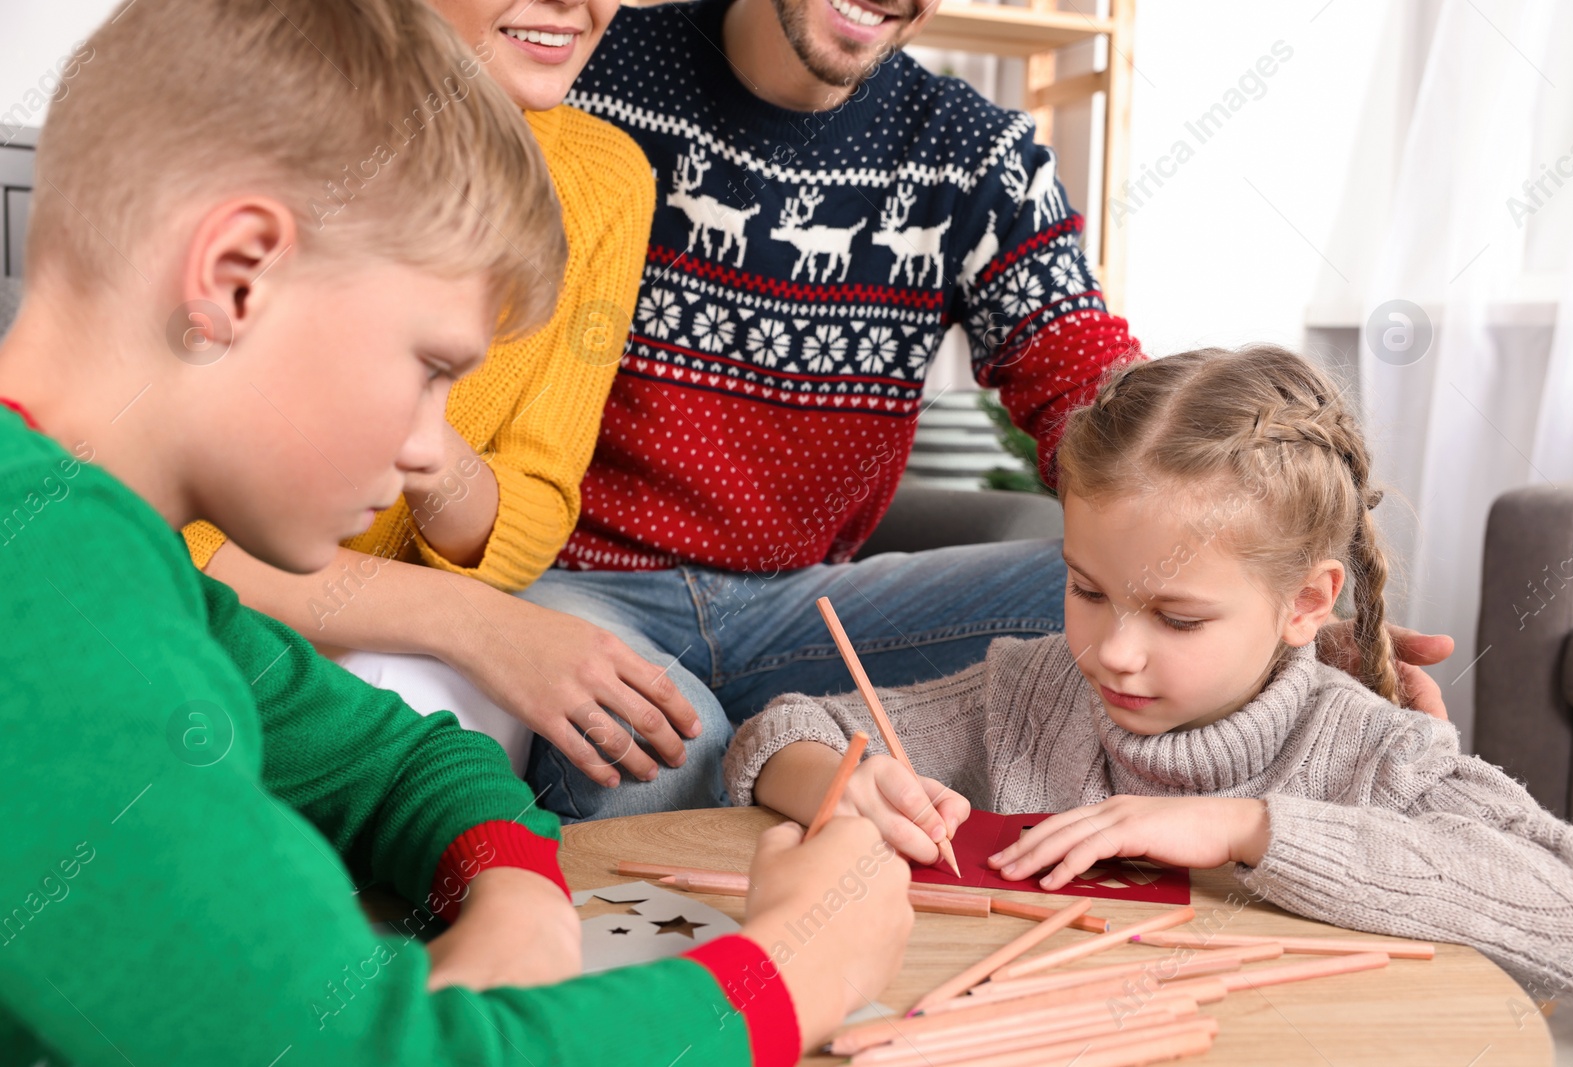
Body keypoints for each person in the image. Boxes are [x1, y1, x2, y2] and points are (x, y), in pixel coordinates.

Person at [0, 0, 910, 1062]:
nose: (431, 452)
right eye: (431, 370)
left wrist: (516, 895)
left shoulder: (106, 549)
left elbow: (398, 760)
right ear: (236, 275)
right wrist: (796, 969)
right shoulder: (46, 598)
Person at [424, 0, 1447, 820]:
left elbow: (1089, 388)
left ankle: (1179, 867)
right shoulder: (585, 63)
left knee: (1158, 606)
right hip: (580, 582)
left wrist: (1276, 615)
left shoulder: (974, 153)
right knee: (650, 752)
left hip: (810, 603)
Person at [726, 347, 1573, 1006]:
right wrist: (841, 786)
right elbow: (783, 726)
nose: (1114, 651)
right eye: (1085, 589)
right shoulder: (1030, 691)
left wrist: (1247, 828)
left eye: (1176, 619)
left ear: (1305, 603)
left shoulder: (1373, 750)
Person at [180, 0, 713, 794]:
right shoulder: (259, 140)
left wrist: (416, 423)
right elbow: (152, 537)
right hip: (191, 626)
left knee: (644, 756)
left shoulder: (606, 182)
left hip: (373, 641)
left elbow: (530, 509)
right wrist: (469, 622)